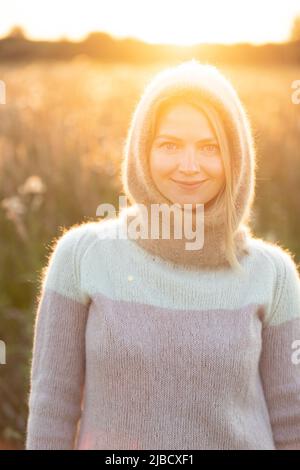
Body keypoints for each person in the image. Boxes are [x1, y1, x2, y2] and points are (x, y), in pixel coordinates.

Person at [25, 59, 300, 450]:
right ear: (142, 151)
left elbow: (292, 419)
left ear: (236, 159)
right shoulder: (82, 256)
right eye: (169, 145)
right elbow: (53, 406)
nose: (189, 167)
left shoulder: (273, 274)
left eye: (210, 148)